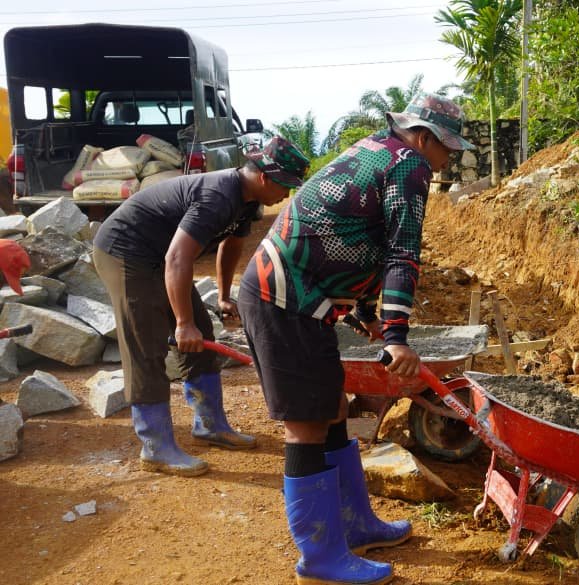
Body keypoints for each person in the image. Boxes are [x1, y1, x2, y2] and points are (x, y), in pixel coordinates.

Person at [237, 93, 475, 585]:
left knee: (333, 411)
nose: (448, 160)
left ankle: (355, 524)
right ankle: (320, 558)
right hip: (284, 299)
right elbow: (401, 253)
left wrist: (366, 312)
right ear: (424, 138)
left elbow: (355, 234)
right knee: (306, 426)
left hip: (305, 301)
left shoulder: (378, 151)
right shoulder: (409, 165)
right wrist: (396, 335)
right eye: (447, 149)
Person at [93, 136, 309, 477]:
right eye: (286, 185)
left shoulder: (248, 200)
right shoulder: (218, 196)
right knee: (146, 344)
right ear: (264, 177)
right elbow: (178, 258)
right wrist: (182, 323)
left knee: (202, 335)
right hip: (125, 250)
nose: (287, 194)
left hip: (160, 255)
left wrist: (222, 297)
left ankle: (210, 426)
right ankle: (156, 447)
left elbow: (231, 246)